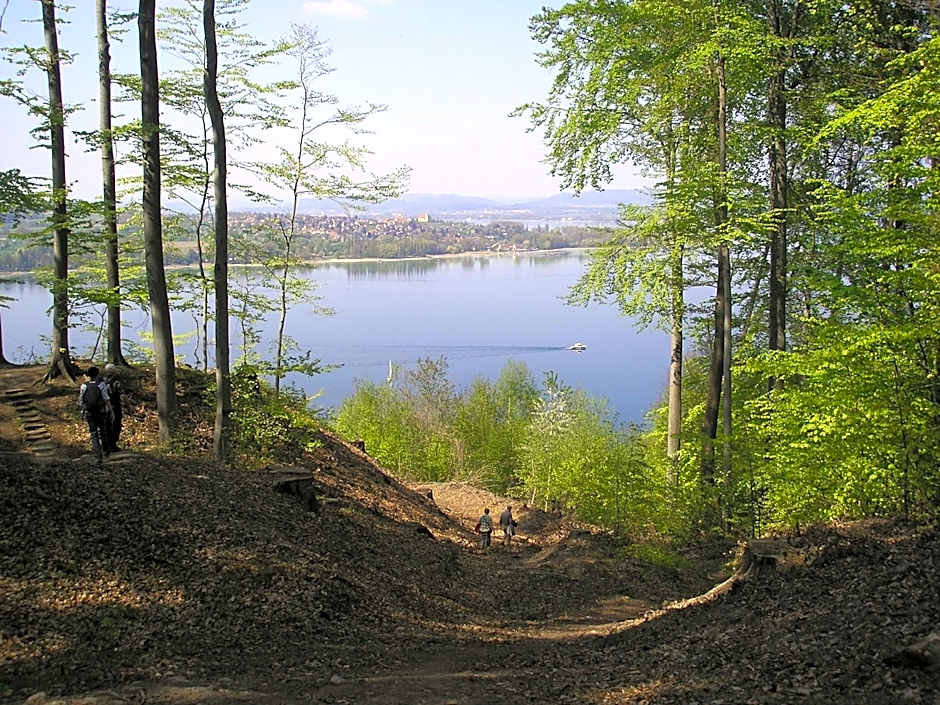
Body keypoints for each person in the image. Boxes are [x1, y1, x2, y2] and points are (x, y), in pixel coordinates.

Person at [78, 366, 112, 465]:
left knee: (93, 434)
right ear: (97, 375)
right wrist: (111, 411)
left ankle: (97, 456)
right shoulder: (101, 384)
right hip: (101, 412)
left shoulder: (84, 386)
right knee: (103, 431)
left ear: (88, 375)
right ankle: (106, 452)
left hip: (90, 413)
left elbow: (81, 400)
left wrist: (83, 409)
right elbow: (106, 399)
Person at [102, 363, 123, 452]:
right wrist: (129, 406)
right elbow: (122, 394)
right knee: (116, 425)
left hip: (103, 407)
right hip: (115, 406)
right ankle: (113, 445)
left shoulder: (101, 381)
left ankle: (105, 446)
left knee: (106, 426)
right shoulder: (116, 382)